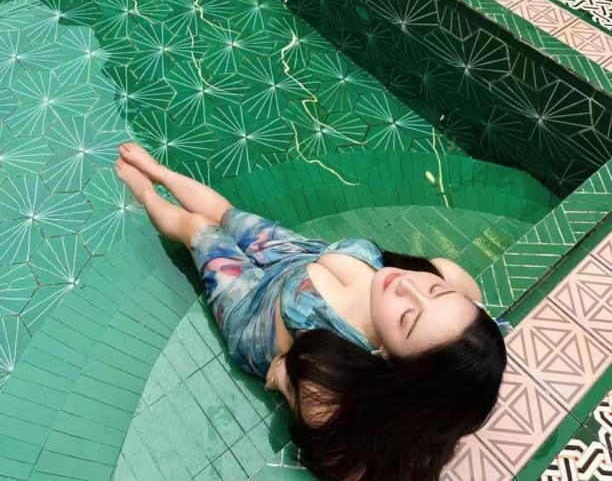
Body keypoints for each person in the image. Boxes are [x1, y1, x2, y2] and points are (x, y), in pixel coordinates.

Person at [115, 143, 507, 481]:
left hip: (254, 315)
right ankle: (159, 171)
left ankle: (145, 191)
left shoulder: (333, 377)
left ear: (391, 360)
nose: (407, 285)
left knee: (200, 230)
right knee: (228, 216)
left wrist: (285, 379)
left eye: (407, 318)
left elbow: (342, 461)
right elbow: (466, 328)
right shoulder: (449, 281)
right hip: (300, 259)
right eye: (435, 291)